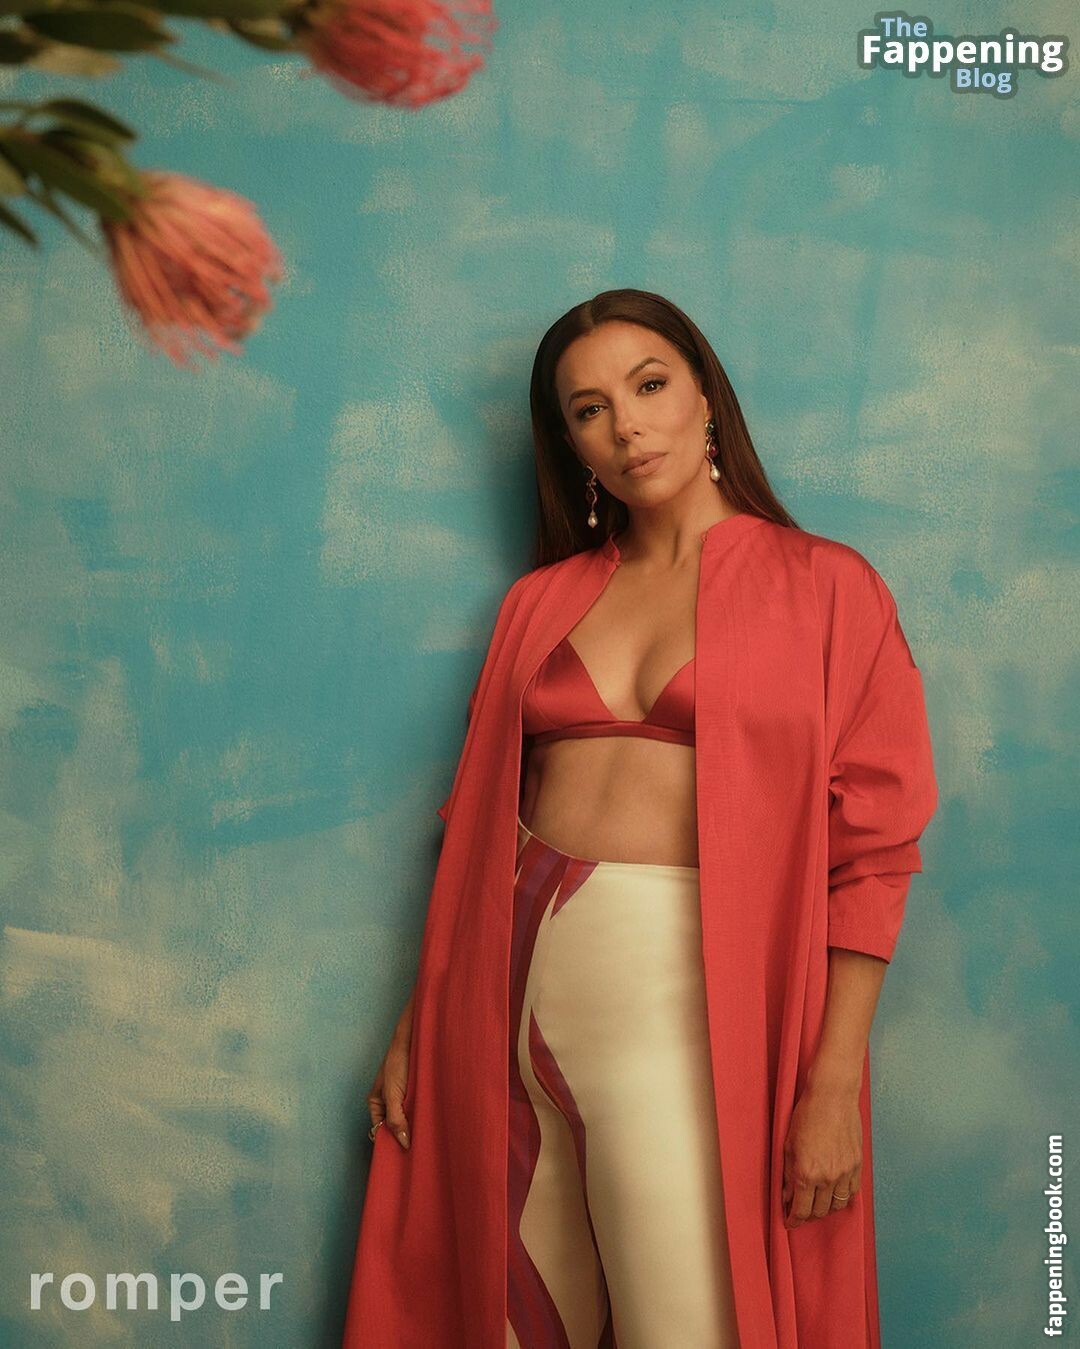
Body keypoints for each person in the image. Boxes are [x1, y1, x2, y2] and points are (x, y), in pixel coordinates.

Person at [343, 289, 938, 1348]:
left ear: (706, 397)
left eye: (650, 384)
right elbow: (478, 825)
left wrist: (832, 1080)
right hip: (503, 992)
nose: (626, 425)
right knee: (513, 1320)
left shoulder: (828, 588)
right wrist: (417, 1023)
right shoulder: (538, 601)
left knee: (689, 1323)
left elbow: (875, 852)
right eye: (589, 409)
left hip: (682, 1003)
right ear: (570, 444)